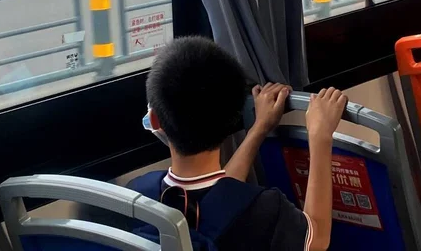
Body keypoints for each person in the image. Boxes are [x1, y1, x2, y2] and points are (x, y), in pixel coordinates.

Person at [129, 37, 347, 251]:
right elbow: (316, 239)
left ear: (155, 120)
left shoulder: (138, 195)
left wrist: (259, 128)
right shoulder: (265, 211)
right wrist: (320, 137)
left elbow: (221, 202)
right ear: (233, 119)